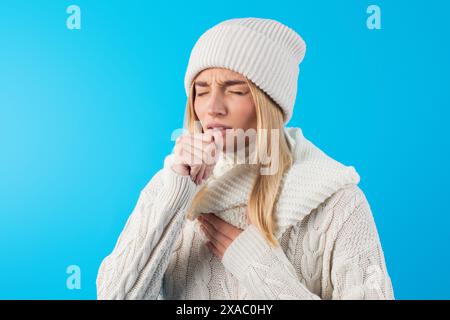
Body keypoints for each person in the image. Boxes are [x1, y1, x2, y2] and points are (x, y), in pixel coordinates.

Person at [96, 17, 395, 300]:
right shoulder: (171, 185)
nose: (212, 107)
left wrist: (262, 272)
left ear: (270, 103)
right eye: (201, 92)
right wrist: (175, 196)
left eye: (236, 91)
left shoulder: (336, 201)